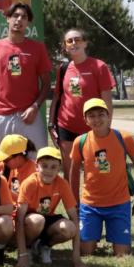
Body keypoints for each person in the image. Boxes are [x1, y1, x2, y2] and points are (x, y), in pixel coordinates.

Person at [70, 98, 134, 258]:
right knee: (85, 251)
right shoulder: (80, 142)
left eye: (101, 114)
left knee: (122, 254)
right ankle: (91, 239)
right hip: (90, 205)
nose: (97, 119)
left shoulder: (123, 137)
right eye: (91, 116)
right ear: (85, 120)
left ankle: (117, 240)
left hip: (119, 204)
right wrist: (74, 203)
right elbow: (74, 173)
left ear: (108, 115)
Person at [48, 28, 116, 200]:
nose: (73, 43)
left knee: (94, 169)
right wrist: (51, 123)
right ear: (65, 46)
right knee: (70, 170)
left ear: (85, 43)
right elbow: (57, 97)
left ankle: (92, 204)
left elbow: (107, 101)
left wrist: (106, 127)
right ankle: (73, 208)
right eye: (69, 41)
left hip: (92, 127)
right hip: (66, 125)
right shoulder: (63, 68)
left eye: (77, 39)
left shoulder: (99, 66)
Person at [0, 2, 52, 150]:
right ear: (8, 18)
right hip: (1, 116)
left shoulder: (38, 48)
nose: (19, 20)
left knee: (39, 158)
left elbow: (46, 84)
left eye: (24, 17)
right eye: (15, 15)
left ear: (28, 22)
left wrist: (35, 107)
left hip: (29, 117)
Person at [14, 147, 82, 267]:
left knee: (70, 228)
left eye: (53, 167)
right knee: (37, 220)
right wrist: (22, 255)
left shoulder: (62, 184)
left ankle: (44, 246)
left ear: (59, 169)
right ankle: (27, 248)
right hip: (29, 222)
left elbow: (74, 217)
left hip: (48, 219)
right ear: (36, 166)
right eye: (44, 166)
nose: (48, 171)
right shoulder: (29, 183)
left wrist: (76, 258)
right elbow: (19, 218)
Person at [0, 134, 37, 200]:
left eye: (6, 160)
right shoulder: (11, 166)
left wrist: (3, 190)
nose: (3, 162)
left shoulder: (33, 172)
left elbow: (27, 199)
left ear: (18, 157)